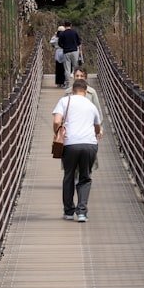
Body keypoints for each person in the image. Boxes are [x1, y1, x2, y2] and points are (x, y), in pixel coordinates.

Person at [52, 79, 102, 222]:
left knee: (69, 176)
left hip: (70, 144)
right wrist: (96, 132)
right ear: (86, 92)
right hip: (89, 144)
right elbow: (97, 127)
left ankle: (68, 212)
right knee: (85, 177)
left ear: (72, 91)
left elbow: (57, 121)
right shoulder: (91, 105)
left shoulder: (64, 101)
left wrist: (57, 133)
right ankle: (81, 213)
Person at [56, 20, 82, 85]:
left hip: (66, 51)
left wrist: (64, 47)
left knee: (67, 68)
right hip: (74, 51)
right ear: (71, 25)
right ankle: (77, 82)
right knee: (76, 67)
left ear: (64, 26)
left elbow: (59, 43)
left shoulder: (62, 34)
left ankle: (67, 83)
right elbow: (79, 42)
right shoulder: (74, 32)